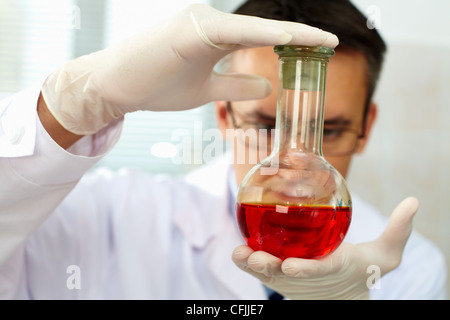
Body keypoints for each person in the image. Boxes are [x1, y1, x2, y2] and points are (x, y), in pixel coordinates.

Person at [0, 1, 446, 300]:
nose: (293, 171)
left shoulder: (406, 268)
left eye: (327, 131)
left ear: (366, 128)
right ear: (223, 116)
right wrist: (77, 101)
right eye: (263, 126)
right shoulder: (109, 216)